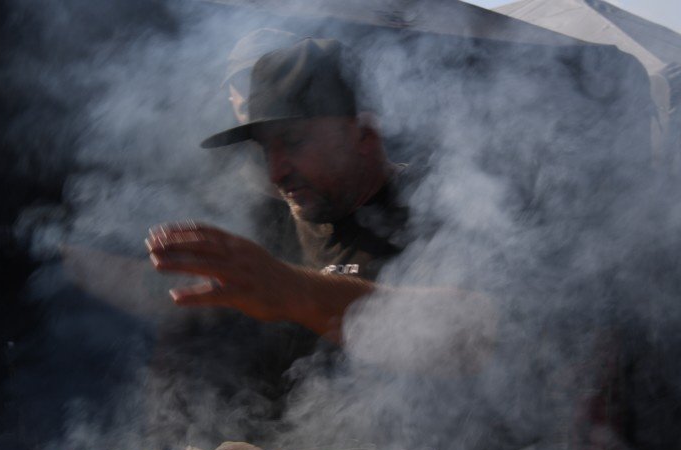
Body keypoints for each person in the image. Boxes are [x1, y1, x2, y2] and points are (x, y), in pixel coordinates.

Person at [147, 37, 494, 366]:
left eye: (294, 141)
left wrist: (292, 290)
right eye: (265, 148)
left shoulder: (445, 204)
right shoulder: (273, 223)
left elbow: (476, 336)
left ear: (363, 135)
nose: (275, 172)